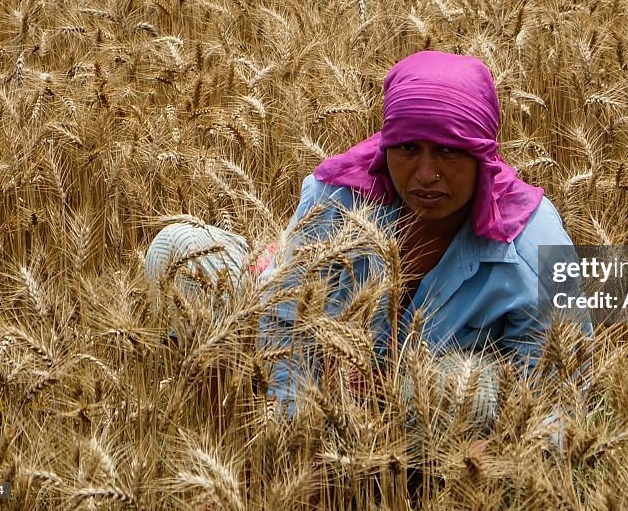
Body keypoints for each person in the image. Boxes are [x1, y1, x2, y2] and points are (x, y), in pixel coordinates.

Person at [145, 50, 591, 427]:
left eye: (450, 151)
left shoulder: (533, 249)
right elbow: (286, 324)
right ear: (386, 145)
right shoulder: (336, 195)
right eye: (408, 148)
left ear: (482, 154)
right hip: (324, 378)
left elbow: (558, 404)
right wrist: (294, 439)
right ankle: (218, 435)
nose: (426, 175)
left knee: (457, 390)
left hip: (430, 420)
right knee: (177, 250)